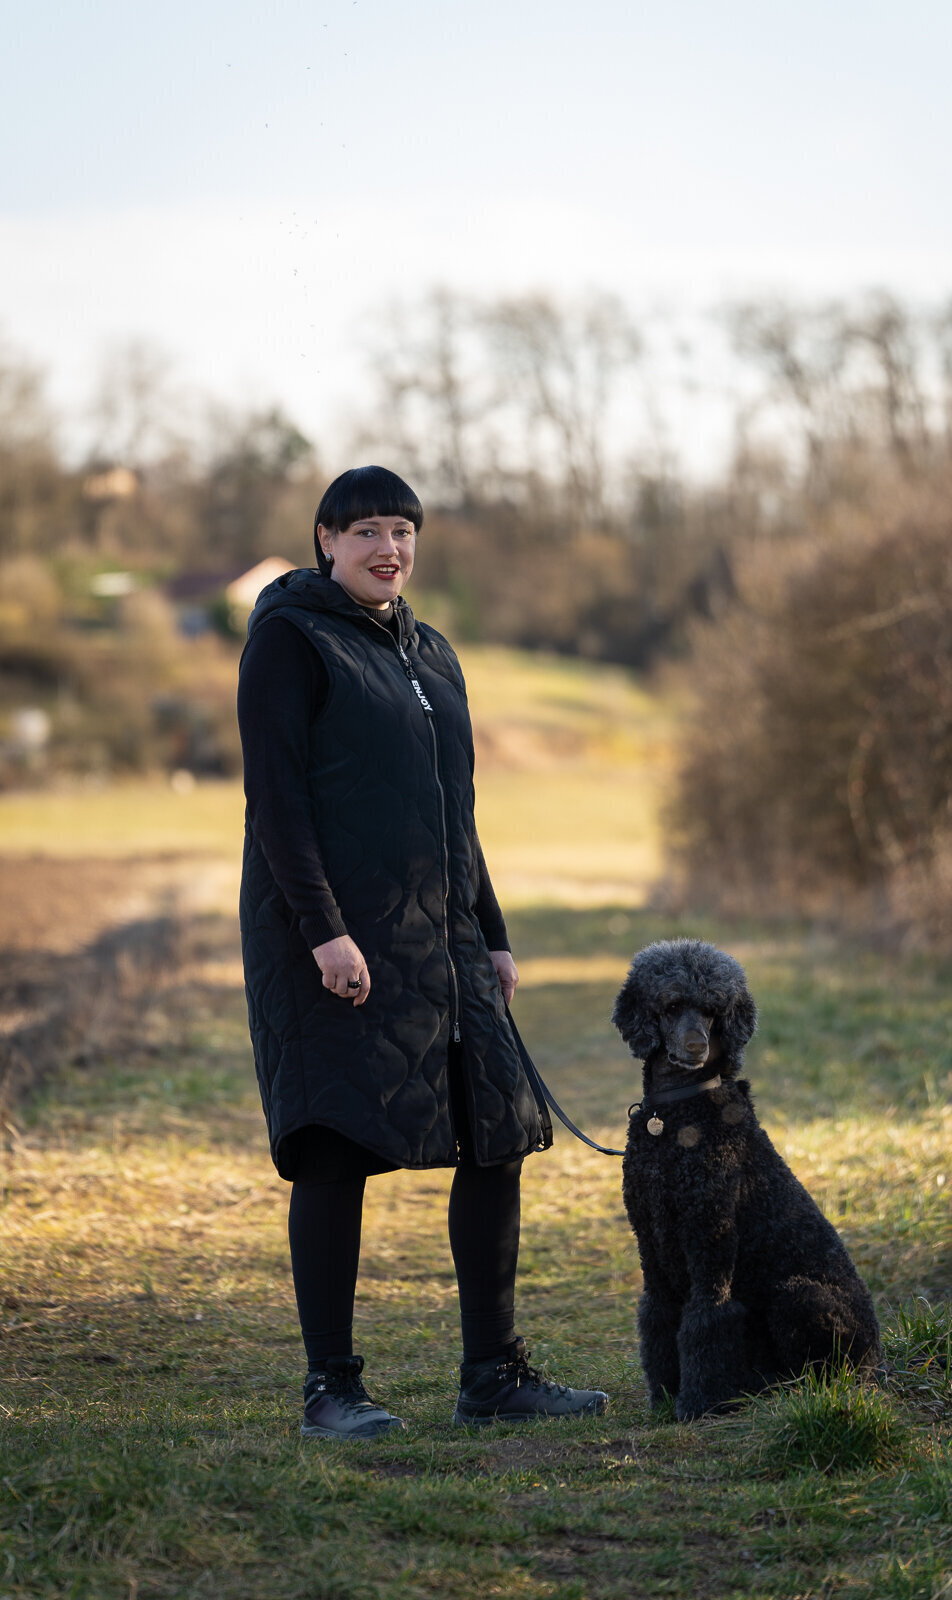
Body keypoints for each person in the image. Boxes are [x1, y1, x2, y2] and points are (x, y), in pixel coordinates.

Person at [237, 465, 609, 1438]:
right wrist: (323, 930)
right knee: (333, 1147)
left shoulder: (432, 653)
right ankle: (331, 1387)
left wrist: (490, 933)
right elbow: (276, 803)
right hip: (330, 940)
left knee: (497, 1132)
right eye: (366, 530)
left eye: (401, 531)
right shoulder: (289, 640)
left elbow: (458, 812)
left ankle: (491, 1372)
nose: (387, 549)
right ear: (324, 538)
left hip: (440, 941)